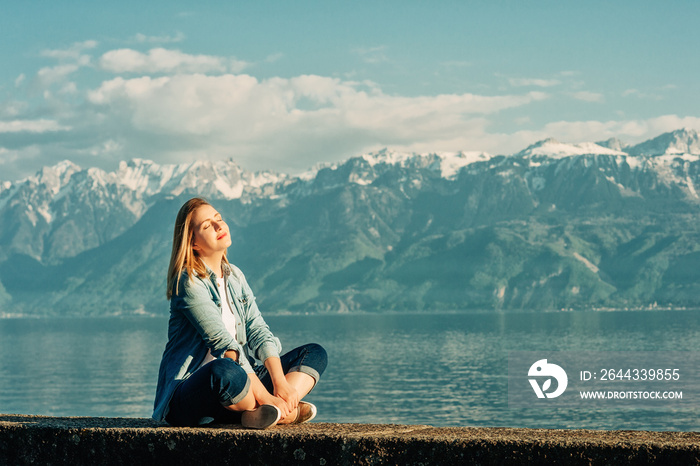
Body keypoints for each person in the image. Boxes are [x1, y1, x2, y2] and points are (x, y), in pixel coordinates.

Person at [153, 197, 327, 429]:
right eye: (207, 226)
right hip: (193, 393)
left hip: (242, 385)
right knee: (223, 370)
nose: (219, 226)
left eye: (219, 219)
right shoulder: (188, 281)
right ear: (193, 243)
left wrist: (279, 385)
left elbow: (258, 330)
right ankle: (275, 410)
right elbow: (225, 345)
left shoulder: (235, 276)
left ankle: (264, 412)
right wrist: (267, 396)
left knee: (314, 353)